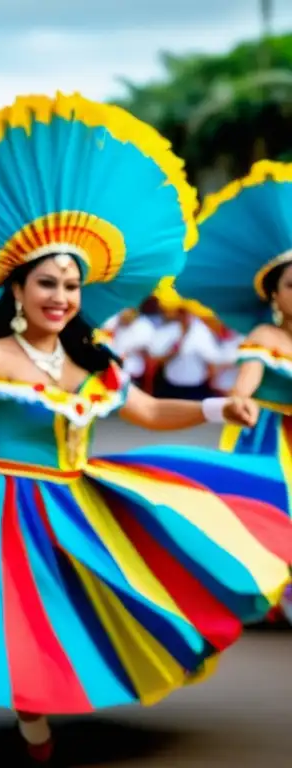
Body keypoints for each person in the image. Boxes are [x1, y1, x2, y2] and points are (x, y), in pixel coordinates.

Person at [0, 93, 292, 762]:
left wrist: (217, 408)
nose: (61, 297)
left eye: (72, 285)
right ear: (16, 290)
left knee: (95, 600)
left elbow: (147, 411)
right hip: (6, 504)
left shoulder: (93, 360)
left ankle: (64, 698)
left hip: (77, 496)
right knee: (9, 614)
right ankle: (33, 723)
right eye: (47, 283)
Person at [175, 159, 292, 622]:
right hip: (270, 440)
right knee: (273, 513)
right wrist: (239, 401)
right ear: (273, 296)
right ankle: (268, 595)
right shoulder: (265, 339)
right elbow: (247, 381)